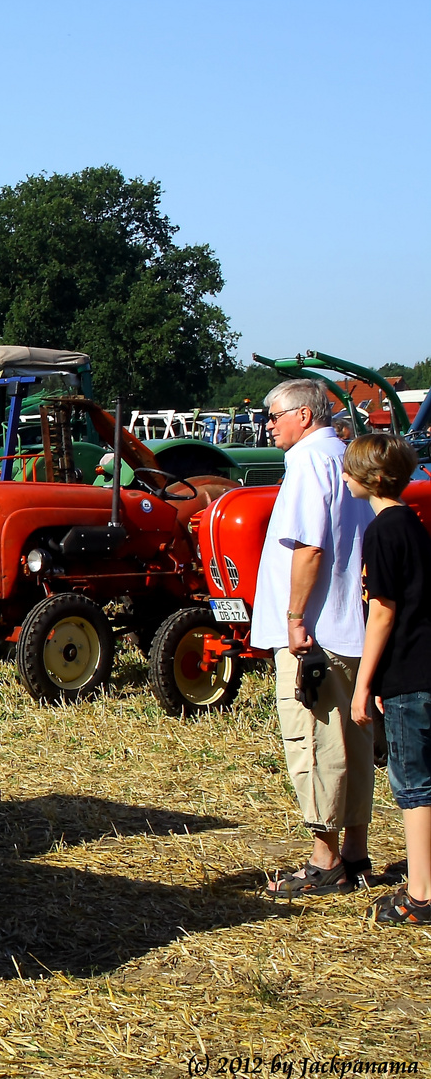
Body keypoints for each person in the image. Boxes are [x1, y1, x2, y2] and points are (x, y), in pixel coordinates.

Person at [253, 379, 380, 897]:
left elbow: (309, 548)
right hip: (351, 626)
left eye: (275, 415)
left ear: (304, 416)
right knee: (354, 740)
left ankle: (324, 858)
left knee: (314, 738)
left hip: (317, 630)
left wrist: (295, 616)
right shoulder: (346, 458)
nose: (269, 425)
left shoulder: (306, 461)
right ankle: (355, 849)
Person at [343, 433, 431, 925]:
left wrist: (363, 684)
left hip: (406, 676)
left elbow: (382, 612)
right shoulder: (414, 525)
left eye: (350, 470)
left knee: (414, 786)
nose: (344, 477)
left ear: (373, 479)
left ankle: (420, 895)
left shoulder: (381, 531)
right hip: (426, 668)